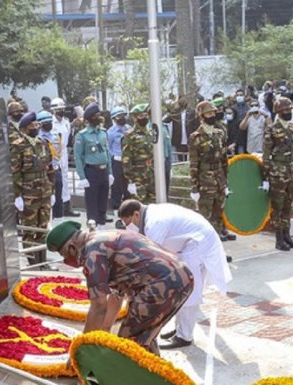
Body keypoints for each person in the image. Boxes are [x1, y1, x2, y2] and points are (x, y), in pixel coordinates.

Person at [46, 222, 194, 355]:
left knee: (126, 346)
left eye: (64, 255)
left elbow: (98, 306)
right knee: (144, 334)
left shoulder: (92, 253)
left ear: (72, 247)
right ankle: (157, 377)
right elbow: (117, 295)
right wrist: (105, 329)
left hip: (162, 285)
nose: (67, 261)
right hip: (182, 277)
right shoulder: (105, 236)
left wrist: (82, 350)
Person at [117, 200, 232, 349]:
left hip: (199, 244)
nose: (129, 228)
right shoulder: (150, 214)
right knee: (180, 287)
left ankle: (184, 336)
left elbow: (151, 257)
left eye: (129, 223)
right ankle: (180, 329)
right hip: (192, 243)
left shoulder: (154, 223)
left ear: (136, 214)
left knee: (189, 290)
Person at [11, 112, 53, 263]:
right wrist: (17, 196)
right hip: (29, 195)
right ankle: (32, 264)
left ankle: (42, 262)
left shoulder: (42, 142)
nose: (36, 127)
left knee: (43, 229)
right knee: (30, 230)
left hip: (44, 193)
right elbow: (15, 172)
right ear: (25, 128)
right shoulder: (18, 146)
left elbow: (49, 167)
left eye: (37, 125)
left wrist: (51, 190)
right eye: (33, 125)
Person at [188, 100, 233, 242]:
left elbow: (223, 160)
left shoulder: (219, 133)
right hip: (205, 181)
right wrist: (195, 187)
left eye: (213, 112)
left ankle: (219, 250)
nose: (212, 115)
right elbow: (194, 163)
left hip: (219, 179)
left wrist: (225, 182)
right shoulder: (196, 137)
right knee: (205, 217)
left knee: (218, 214)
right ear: (202, 116)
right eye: (208, 113)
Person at [263, 97, 293, 251]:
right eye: (285, 110)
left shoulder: (292, 128)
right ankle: (279, 238)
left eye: (289, 110)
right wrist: (266, 176)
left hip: (290, 171)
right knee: (277, 206)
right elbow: (266, 154)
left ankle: (287, 235)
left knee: (288, 204)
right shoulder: (271, 129)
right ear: (278, 112)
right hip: (277, 172)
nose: (288, 112)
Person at [74, 103, 113, 224]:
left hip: (103, 171)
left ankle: (102, 224)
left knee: (103, 202)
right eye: (96, 115)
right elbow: (78, 157)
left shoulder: (103, 132)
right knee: (92, 203)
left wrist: (110, 172)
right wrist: (82, 177)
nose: (99, 117)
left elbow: (107, 153)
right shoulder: (82, 135)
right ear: (90, 118)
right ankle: (92, 227)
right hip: (91, 172)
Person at [51, 98, 79, 217]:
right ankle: (58, 209)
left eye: (62, 108)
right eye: (59, 109)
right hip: (54, 154)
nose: (61, 111)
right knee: (57, 182)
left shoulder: (66, 122)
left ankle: (67, 207)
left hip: (64, 153)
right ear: (54, 110)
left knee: (66, 180)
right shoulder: (51, 123)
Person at [123, 104, 155, 204]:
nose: (145, 118)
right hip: (138, 177)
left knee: (153, 206)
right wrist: (130, 181)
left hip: (151, 176)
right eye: (141, 116)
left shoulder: (150, 133)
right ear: (134, 118)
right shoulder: (130, 136)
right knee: (139, 207)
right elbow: (126, 160)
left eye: (146, 115)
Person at [37, 111, 62, 217]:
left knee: (58, 197)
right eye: (46, 122)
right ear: (40, 124)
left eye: (50, 122)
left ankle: (58, 218)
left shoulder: (56, 135)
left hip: (56, 169)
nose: (49, 124)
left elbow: (59, 152)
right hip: (45, 173)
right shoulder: (37, 138)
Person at [107, 106, 132, 210]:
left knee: (128, 183)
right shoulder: (111, 132)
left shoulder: (129, 128)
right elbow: (108, 147)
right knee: (116, 184)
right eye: (119, 116)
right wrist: (112, 158)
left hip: (128, 160)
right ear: (114, 118)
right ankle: (116, 205)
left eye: (123, 115)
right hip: (116, 160)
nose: (122, 118)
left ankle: (128, 204)